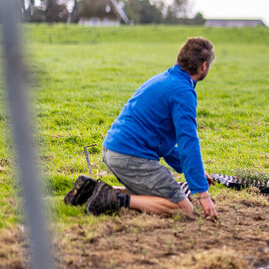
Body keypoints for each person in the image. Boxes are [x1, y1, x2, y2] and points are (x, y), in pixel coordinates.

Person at [64, 37, 218, 219]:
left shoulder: (165, 79)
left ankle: (90, 191)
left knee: (156, 196)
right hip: (130, 156)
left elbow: (161, 140)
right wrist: (203, 193)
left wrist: (195, 173)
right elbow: (188, 142)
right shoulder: (182, 91)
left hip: (114, 150)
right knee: (182, 208)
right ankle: (113, 198)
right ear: (203, 66)